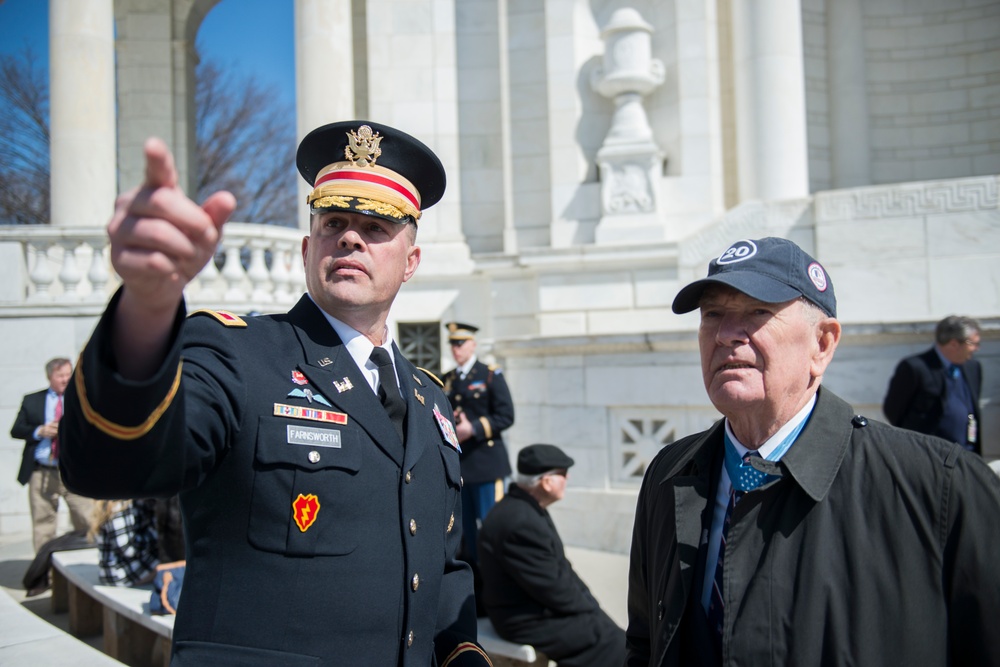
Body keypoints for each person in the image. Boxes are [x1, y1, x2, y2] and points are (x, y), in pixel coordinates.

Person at [58, 121, 491, 666]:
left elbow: (443, 563)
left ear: (411, 262)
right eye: (334, 222)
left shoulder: (431, 400)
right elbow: (111, 465)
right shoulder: (235, 354)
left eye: (377, 226)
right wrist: (144, 311)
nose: (350, 237)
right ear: (310, 249)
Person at [625, 237, 1000, 666]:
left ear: (822, 344)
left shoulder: (942, 488)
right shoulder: (669, 474)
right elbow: (644, 642)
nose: (727, 334)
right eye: (713, 315)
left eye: (757, 312)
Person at [478, 444, 625, 667]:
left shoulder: (526, 509)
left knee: (609, 631)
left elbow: (560, 569)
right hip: (523, 618)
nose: (568, 478)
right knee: (613, 643)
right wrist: (590, 610)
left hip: (536, 607)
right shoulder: (520, 522)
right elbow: (553, 588)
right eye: (563, 474)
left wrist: (591, 605)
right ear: (546, 482)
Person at [441, 321, 515, 567]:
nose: (455, 349)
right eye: (452, 344)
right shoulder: (447, 379)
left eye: (460, 343)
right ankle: (478, 586)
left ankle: (500, 581)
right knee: (466, 531)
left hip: (486, 464)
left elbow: (506, 415)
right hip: (461, 469)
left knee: (491, 526)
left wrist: (471, 429)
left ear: (473, 345)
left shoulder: (490, 374)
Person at [11, 357, 95, 553]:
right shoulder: (32, 400)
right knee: (43, 525)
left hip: (73, 470)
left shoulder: (82, 399)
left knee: (87, 520)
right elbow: (16, 430)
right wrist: (39, 431)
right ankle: (43, 575)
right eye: (60, 375)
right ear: (50, 377)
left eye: (68, 374)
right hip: (42, 472)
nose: (66, 379)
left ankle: (85, 567)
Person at [882, 315, 983, 455]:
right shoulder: (915, 367)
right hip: (930, 456)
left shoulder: (973, 367)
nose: (976, 349)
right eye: (972, 343)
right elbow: (893, 411)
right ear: (954, 343)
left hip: (966, 455)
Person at [89, 498, 160, 586]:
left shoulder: (111, 502)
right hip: (118, 575)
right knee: (173, 565)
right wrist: (157, 534)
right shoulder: (119, 505)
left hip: (108, 572)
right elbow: (127, 549)